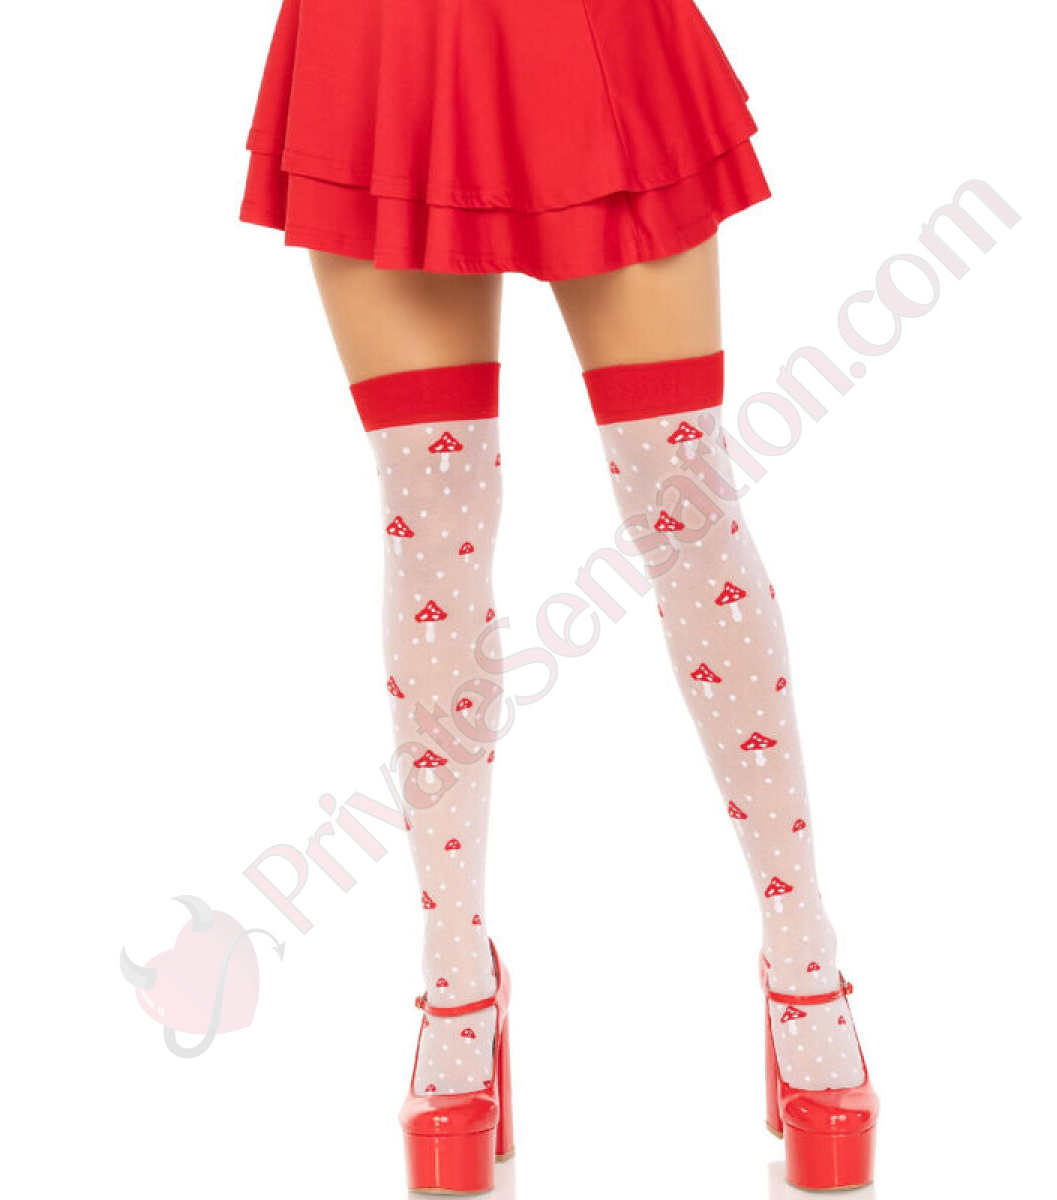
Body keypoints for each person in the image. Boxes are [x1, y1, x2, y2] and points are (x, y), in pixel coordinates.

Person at [238, 0, 878, 1191]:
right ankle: (456, 990)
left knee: (683, 505)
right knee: (432, 518)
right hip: (384, 49)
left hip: (588, 41)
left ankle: (805, 967)